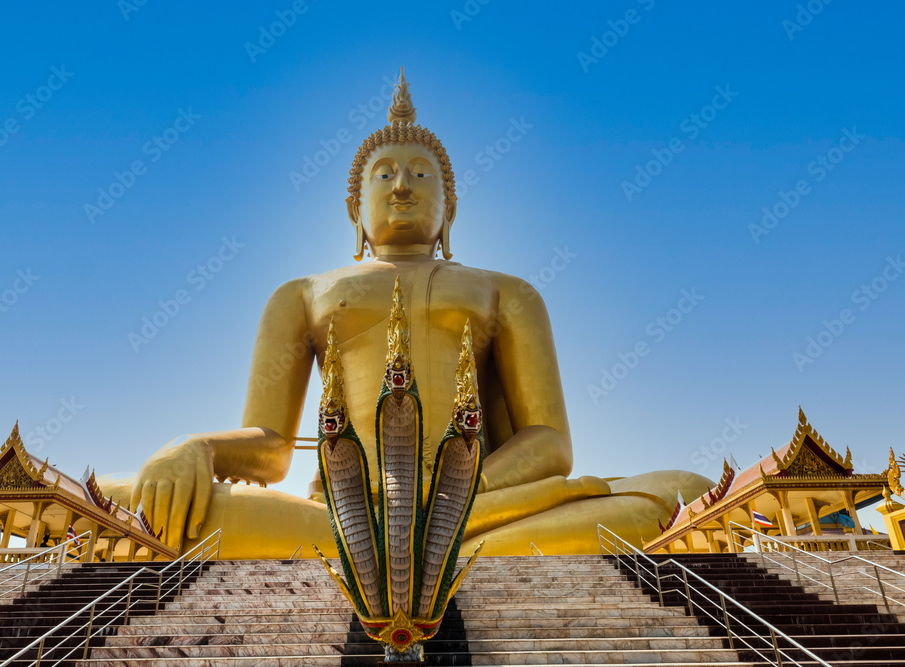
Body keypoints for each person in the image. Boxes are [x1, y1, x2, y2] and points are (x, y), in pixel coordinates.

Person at [99, 69, 710, 558]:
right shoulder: (301, 293)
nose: (401, 186)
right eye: (383, 174)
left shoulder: (507, 291)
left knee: (678, 492)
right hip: (343, 513)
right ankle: (433, 554)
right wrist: (193, 448)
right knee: (143, 498)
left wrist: (458, 497)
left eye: (421, 174)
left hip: (478, 508)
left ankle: (441, 547)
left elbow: (548, 442)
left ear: (449, 212)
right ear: (353, 212)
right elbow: (272, 446)